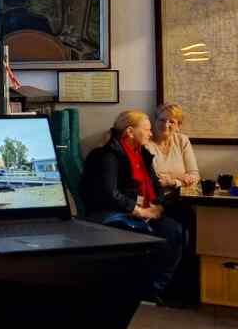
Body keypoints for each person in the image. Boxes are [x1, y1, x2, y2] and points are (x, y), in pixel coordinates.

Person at [79, 111, 185, 302]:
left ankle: (154, 289)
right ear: (129, 131)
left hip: (139, 212)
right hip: (112, 214)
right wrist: (138, 210)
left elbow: (155, 185)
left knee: (177, 231)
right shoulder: (105, 156)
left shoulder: (142, 154)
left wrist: (159, 206)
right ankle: (143, 290)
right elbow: (108, 193)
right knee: (156, 236)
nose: (151, 134)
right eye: (147, 130)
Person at [146, 103, 200, 192]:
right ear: (155, 121)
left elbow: (195, 176)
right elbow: (149, 179)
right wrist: (181, 178)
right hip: (155, 195)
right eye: (162, 120)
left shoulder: (182, 140)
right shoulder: (145, 142)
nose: (166, 125)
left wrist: (173, 182)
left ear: (178, 125)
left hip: (181, 196)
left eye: (171, 122)